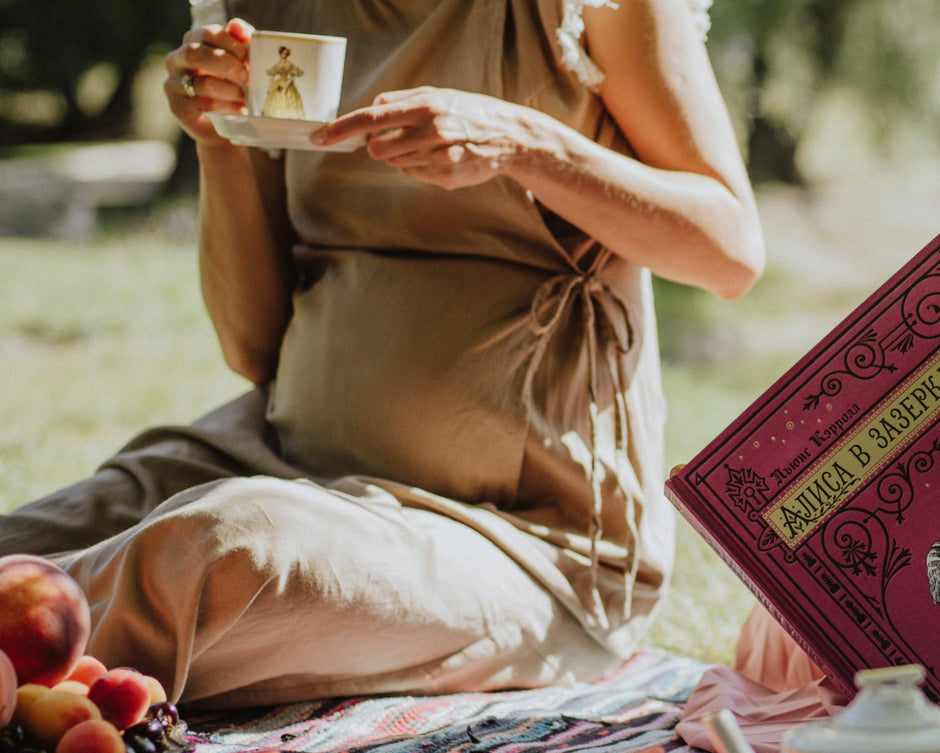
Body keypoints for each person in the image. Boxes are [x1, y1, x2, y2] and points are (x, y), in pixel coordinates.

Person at [0, 0, 764, 709]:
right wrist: (219, 141)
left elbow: (729, 252)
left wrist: (525, 145)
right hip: (283, 455)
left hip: (527, 544)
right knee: (28, 544)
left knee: (221, 549)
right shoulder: (269, 12)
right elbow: (254, 348)